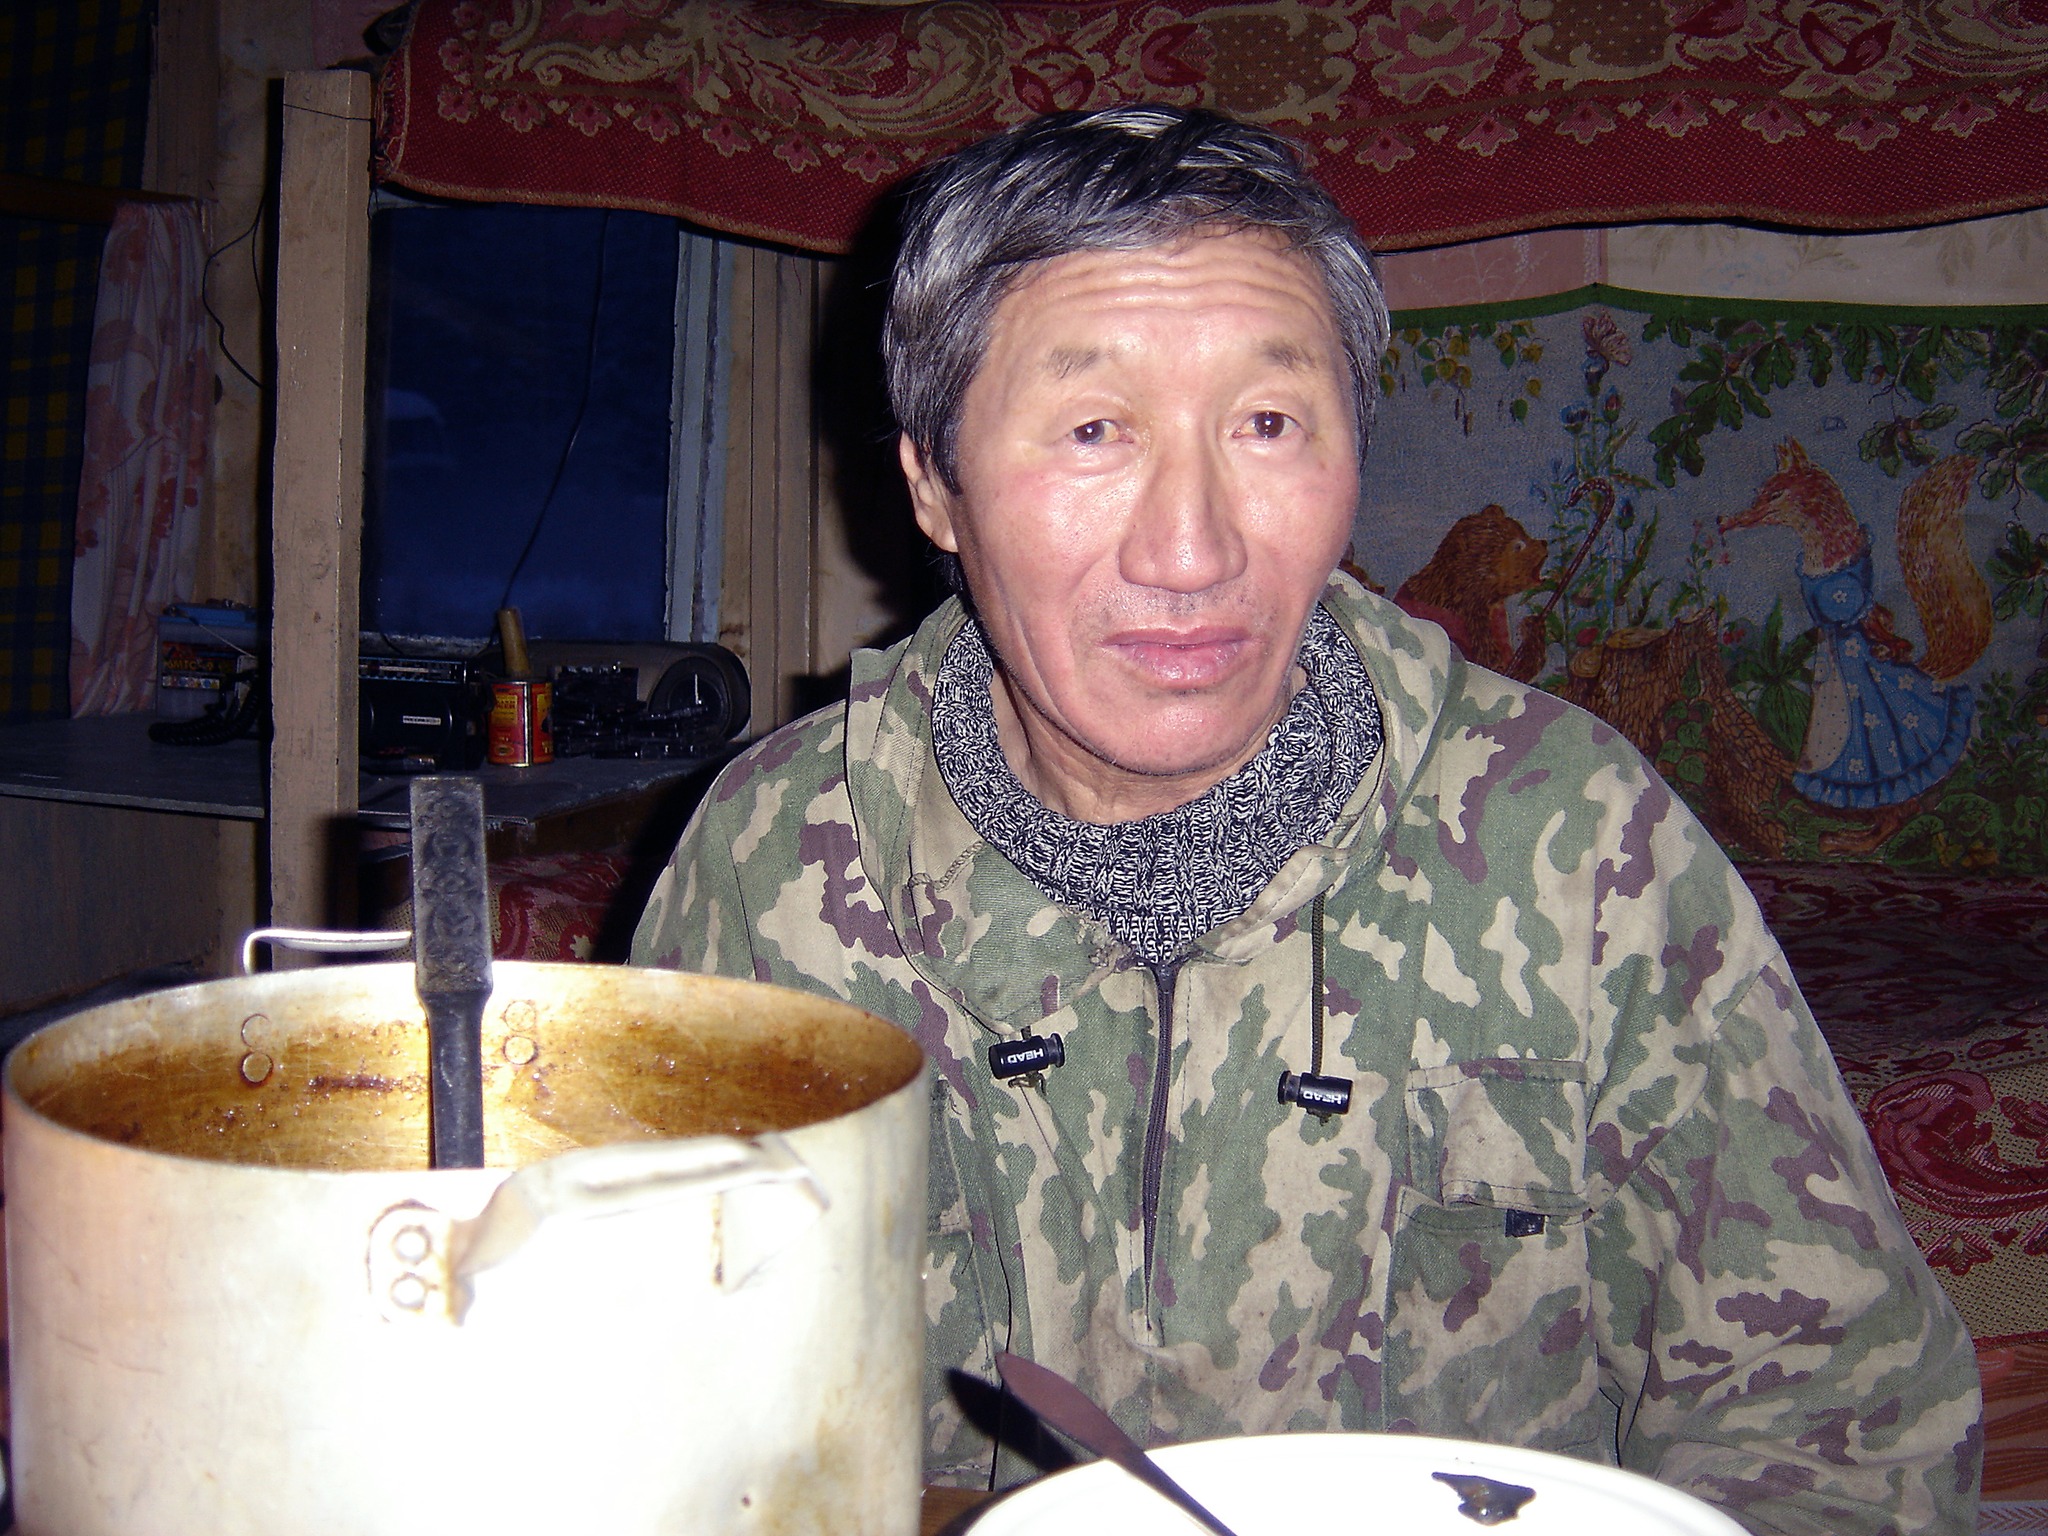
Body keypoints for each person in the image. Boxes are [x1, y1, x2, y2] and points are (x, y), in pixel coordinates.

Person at [632, 105, 1981, 1533]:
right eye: (1093, 430)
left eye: (1268, 425)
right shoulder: (777, 868)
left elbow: (1848, 1434)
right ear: (934, 489)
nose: (1192, 548)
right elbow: (645, 1409)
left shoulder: (1579, 846)